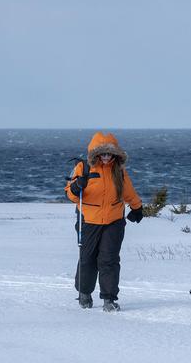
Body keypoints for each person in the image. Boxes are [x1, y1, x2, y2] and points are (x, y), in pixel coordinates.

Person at [65, 132, 143, 312]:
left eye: (110, 154)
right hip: (88, 220)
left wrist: (137, 207)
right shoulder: (83, 168)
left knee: (109, 260)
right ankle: (84, 293)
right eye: (103, 154)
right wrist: (77, 187)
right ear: (96, 154)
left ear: (115, 154)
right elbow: (70, 194)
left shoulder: (119, 171)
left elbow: (128, 191)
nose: (107, 157)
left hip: (113, 221)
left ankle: (109, 299)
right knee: (87, 259)